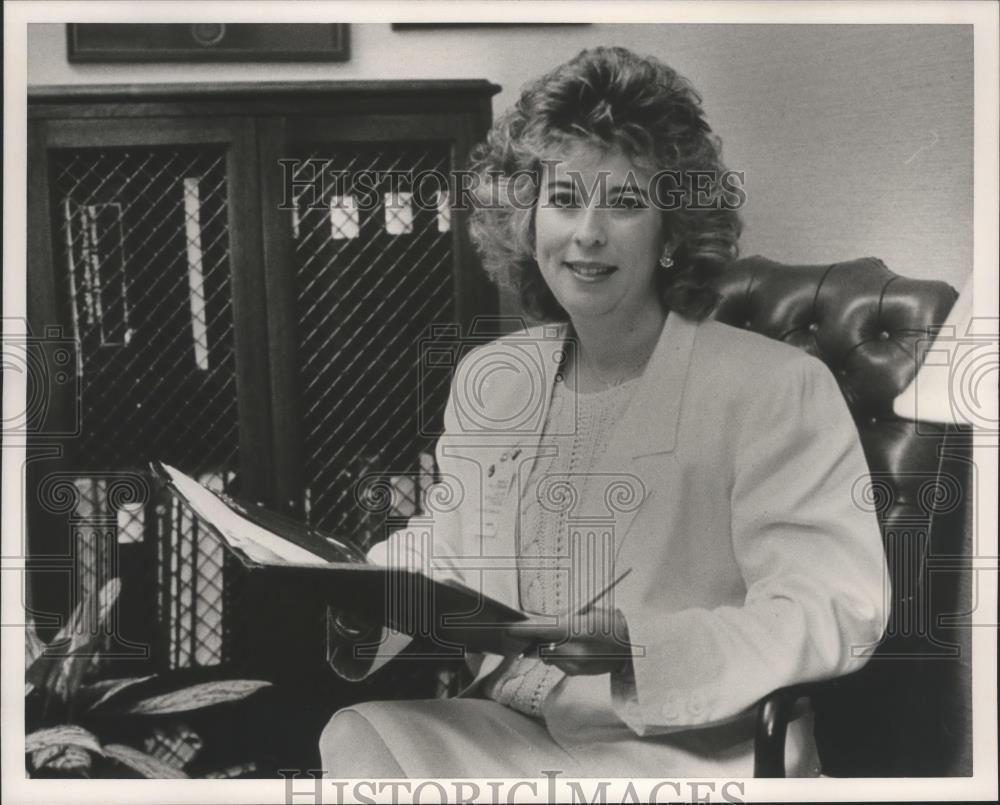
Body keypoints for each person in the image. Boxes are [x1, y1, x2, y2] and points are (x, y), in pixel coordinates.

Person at [319, 46, 888, 778]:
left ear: (673, 230)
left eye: (622, 202)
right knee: (361, 734)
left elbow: (831, 609)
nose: (587, 232)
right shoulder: (495, 377)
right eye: (563, 200)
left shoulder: (778, 388)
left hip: (690, 750)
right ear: (526, 222)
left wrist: (639, 646)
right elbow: (455, 546)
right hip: (516, 730)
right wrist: (358, 586)